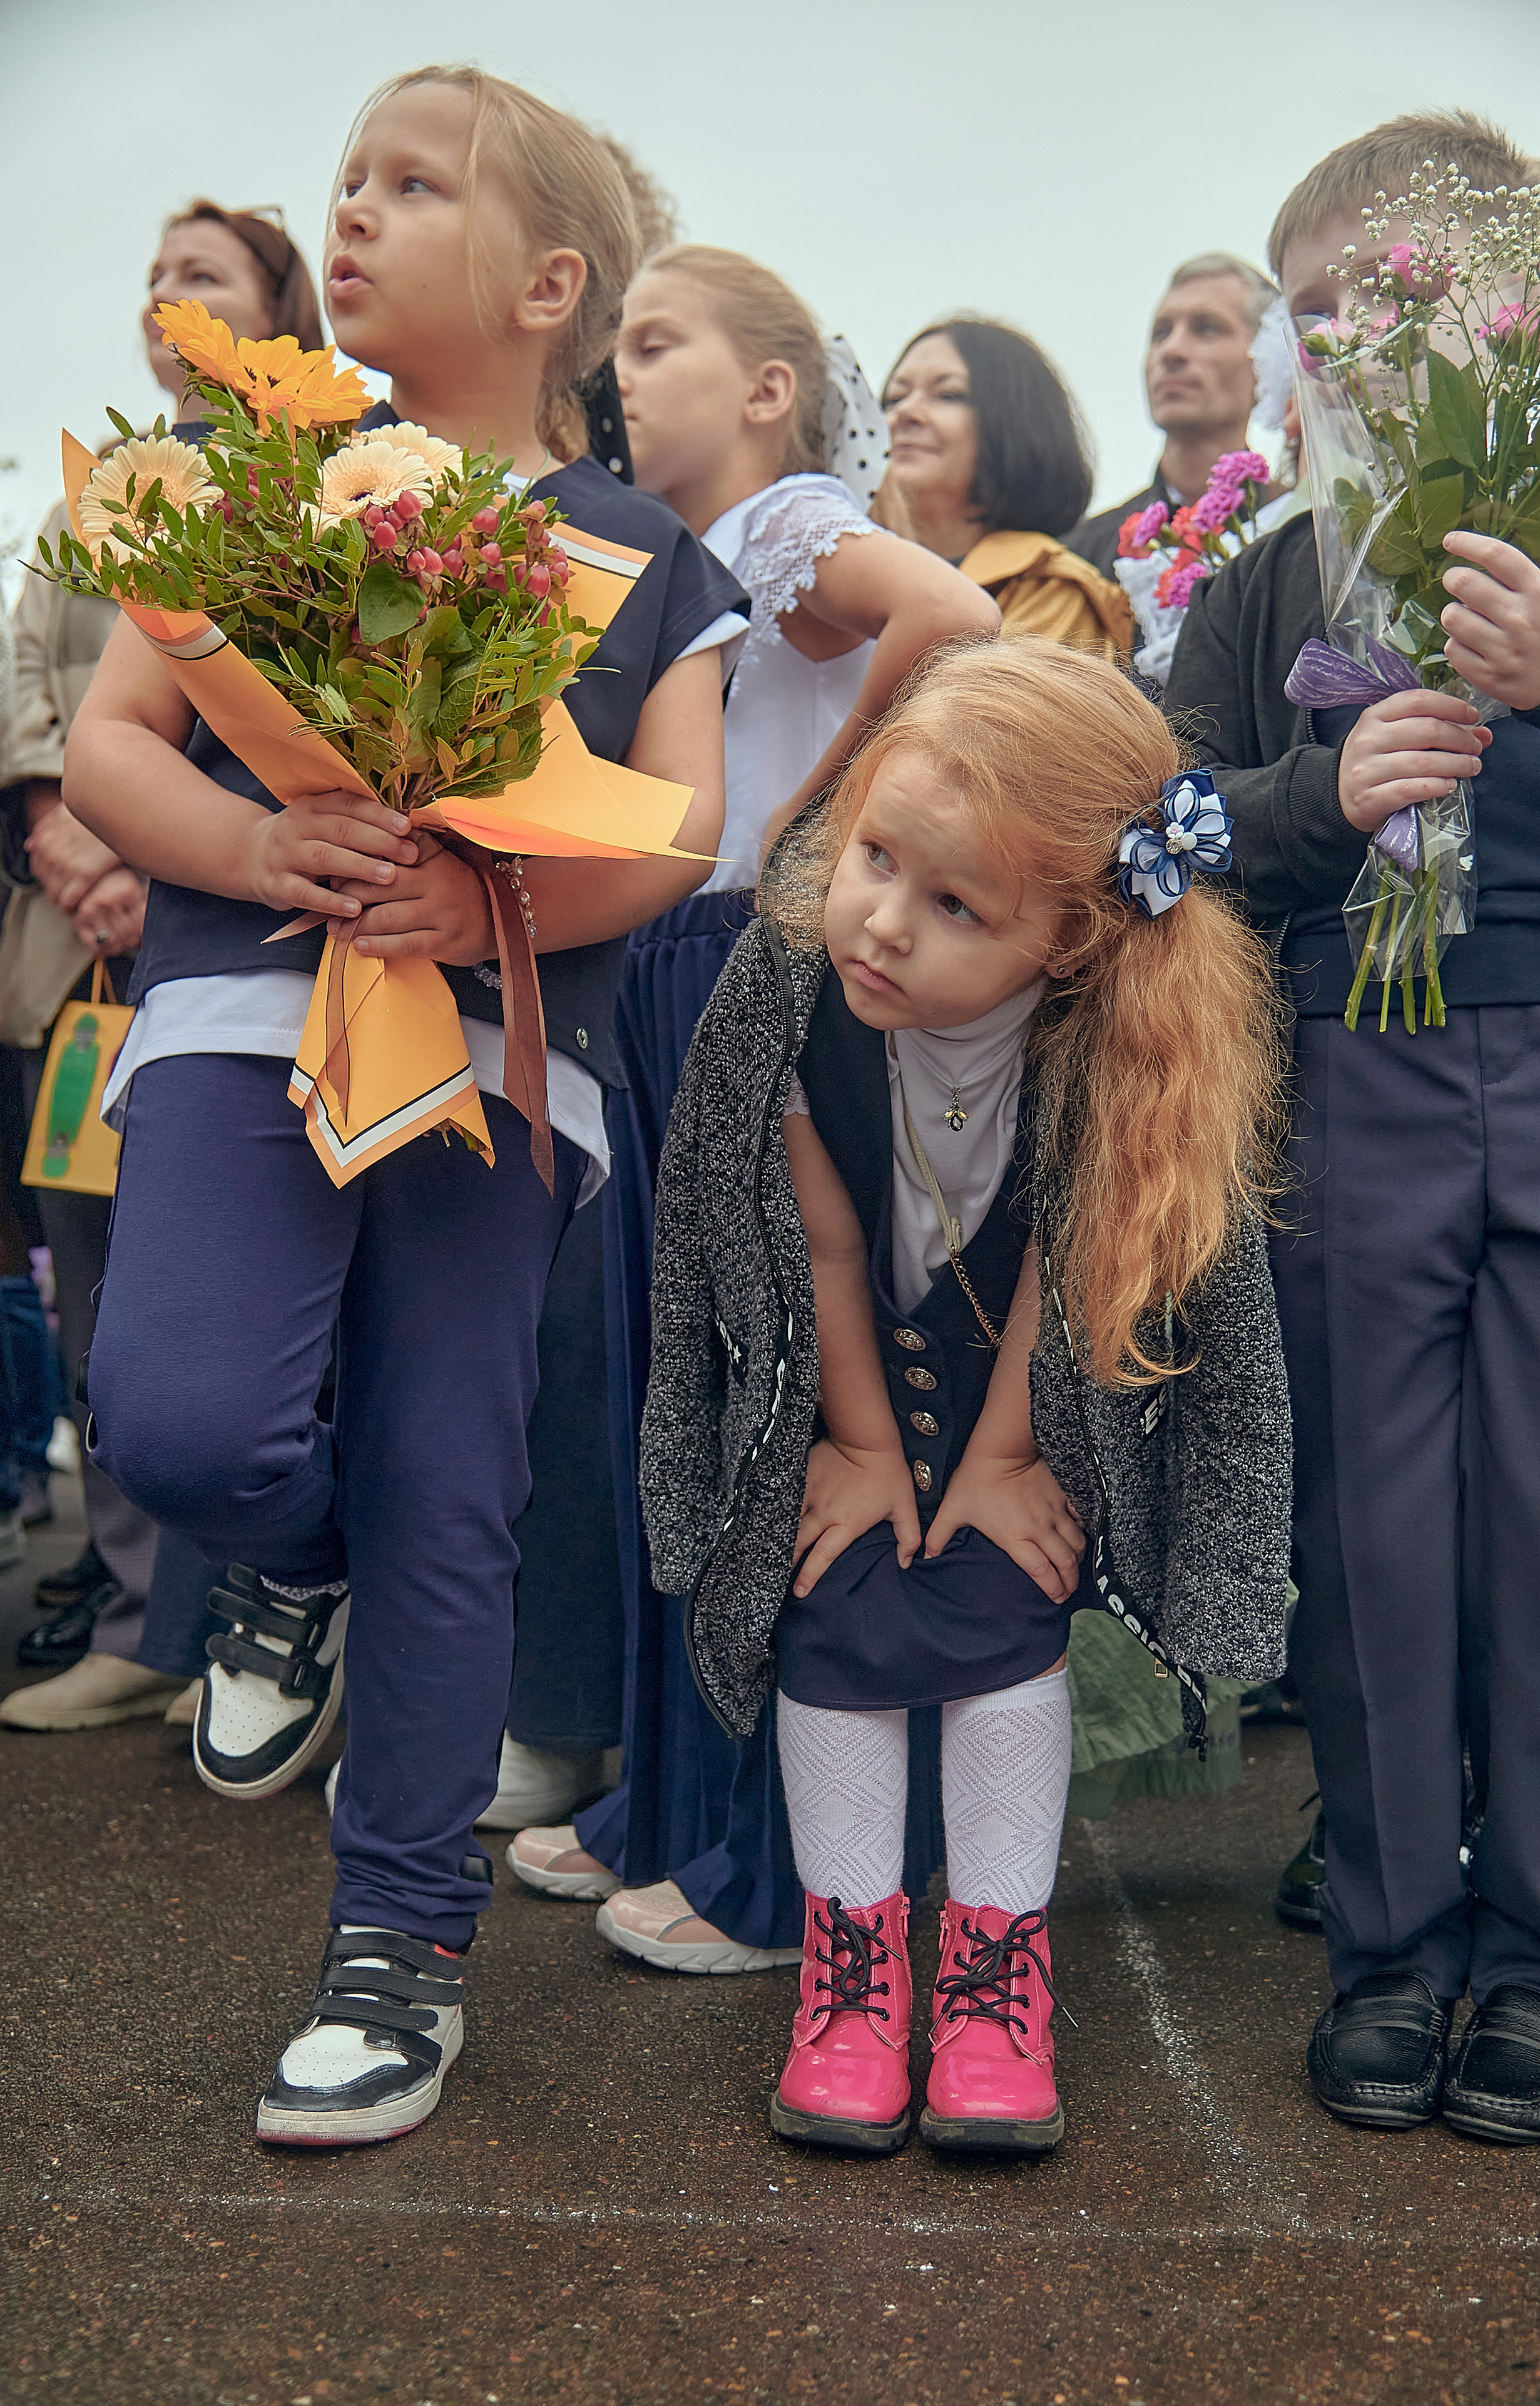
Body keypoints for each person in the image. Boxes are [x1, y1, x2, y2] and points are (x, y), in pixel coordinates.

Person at [62, 64, 745, 2149]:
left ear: (552, 287)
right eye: (348, 179)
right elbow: (115, 742)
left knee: (453, 1480)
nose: (351, 213)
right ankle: (290, 1556)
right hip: (242, 1009)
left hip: (498, 1056)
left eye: (415, 187)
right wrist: (264, 845)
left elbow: (683, 827)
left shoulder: (650, 555)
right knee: (179, 1414)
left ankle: (400, 1943)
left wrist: (491, 896)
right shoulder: (243, 482)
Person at [639, 635, 1291, 2153]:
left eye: (954, 908)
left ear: (1069, 936)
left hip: (1025, 1380)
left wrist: (1001, 1459)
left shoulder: (1118, 1033)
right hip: (844, 1359)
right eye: (875, 857)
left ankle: (997, 1976)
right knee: (834, 1594)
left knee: (1003, 1611)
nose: (881, 922)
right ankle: (848, 1974)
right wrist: (859, 1442)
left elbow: (1087, 1248)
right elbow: (798, 1230)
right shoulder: (787, 984)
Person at [1166, 110, 1540, 2146]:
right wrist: (1305, 805)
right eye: (1309, 314)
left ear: (1524, 307)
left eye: (1382, 298)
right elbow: (1152, 830)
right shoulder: (1268, 577)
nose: (1339, 346)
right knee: (1373, 1536)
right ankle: (1391, 1946)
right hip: (1352, 1075)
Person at [508, 245, 999, 1970]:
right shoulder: (677, 559)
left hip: (747, 955)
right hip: (669, 960)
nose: (621, 375)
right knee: (683, 1391)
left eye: (658, 342)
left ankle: (791, 1862)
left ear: (772, 390)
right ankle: (679, 1794)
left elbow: (957, 619)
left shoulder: (785, 520)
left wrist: (820, 812)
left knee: (759, 1385)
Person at [0, 199, 325, 1733]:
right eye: (151, 277)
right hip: (71, 944)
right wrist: (65, 836)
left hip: (235, 940)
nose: (164, 297)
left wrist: (160, 851)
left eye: (202, 275)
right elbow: (26, 677)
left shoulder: (314, 478)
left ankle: (271, 1608)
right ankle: (143, 1623)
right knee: (100, 1294)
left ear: (279, 308)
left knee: (234, 1302)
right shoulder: (100, 494)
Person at [875, 320, 1131, 657]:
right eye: (894, 399)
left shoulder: (1050, 590)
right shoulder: (838, 575)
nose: (904, 413)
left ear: (1015, 422)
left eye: (948, 395)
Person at [1070, 255, 1278, 581]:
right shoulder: (1080, 563)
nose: (1171, 351)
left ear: (1268, 360)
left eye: (1206, 328)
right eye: (1161, 333)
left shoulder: (1308, 529)